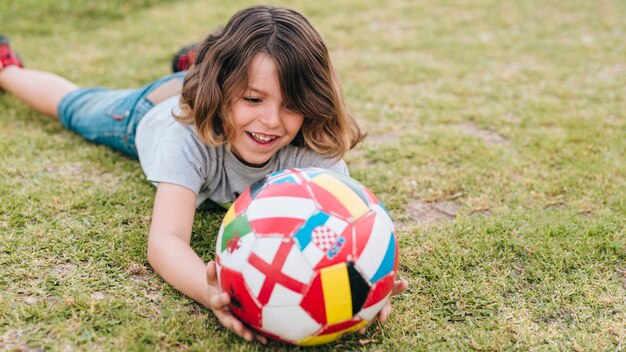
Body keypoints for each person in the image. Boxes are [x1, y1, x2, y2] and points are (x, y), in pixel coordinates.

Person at [0, 5, 408, 344]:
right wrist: (210, 289)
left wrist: (367, 287)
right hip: (154, 108)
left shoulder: (311, 148)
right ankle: (8, 69)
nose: (271, 120)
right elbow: (165, 240)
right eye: (253, 98)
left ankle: (196, 61)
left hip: (211, 82)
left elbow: (355, 229)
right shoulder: (186, 135)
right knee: (76, 108)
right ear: (224, 87)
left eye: (291, 104)